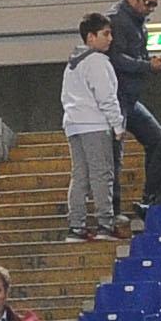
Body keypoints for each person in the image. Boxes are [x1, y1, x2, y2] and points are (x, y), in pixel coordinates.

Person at [60, 15, 129, 238]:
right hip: (95, 124)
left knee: (80, 176)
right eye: (105, 34)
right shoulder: (97, 61)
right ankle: (105, 224)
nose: (110, 38)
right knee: (102, 174)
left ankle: (76, 224)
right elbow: (106, 97)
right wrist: (117, 125)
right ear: (91, 37)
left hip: (74, 124)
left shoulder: (72, 63)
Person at [105, 0, 161, 154]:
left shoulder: (137, 23)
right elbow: (115, 59)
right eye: (148, 3)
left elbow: (135, 58)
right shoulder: (116, 20)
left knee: (158, 142)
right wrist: (148, 66)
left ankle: (153, 184)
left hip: (129, 99)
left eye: (154, 5)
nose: (151, 9)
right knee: (114, 156)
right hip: (116, 99)